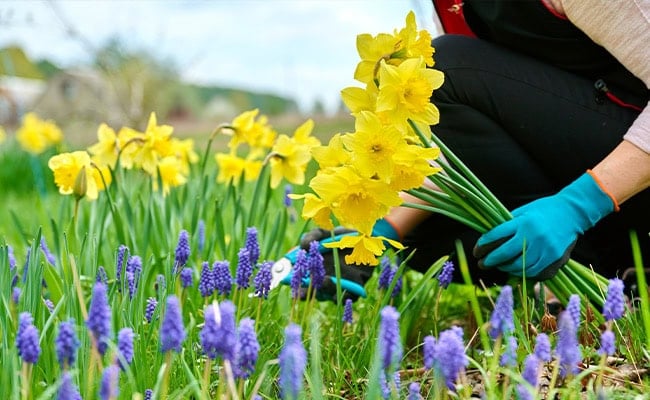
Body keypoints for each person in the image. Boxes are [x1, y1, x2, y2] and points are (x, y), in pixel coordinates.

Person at [293, 0, 650, 297]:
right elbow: (464, 138)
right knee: (424, 235)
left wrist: (578, 205)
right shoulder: (455, 8)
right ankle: (603, 284)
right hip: (606, 201)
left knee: (443, 67)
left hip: (632, 192)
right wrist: (379, 234)